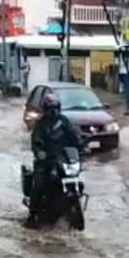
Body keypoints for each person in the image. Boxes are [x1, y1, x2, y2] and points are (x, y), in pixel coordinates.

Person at [26, 93, 83, 228]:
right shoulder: (40, 125)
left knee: (78, 178)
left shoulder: (64, 121)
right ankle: (32, 214)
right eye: (51, 108)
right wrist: (39, 152)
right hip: (46, 161)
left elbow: (74, 135)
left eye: (55, 108)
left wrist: (82, 145)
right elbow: (36, 141)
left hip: (63, 159)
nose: (54, 111)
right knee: (38, 185)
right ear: (45, 109)